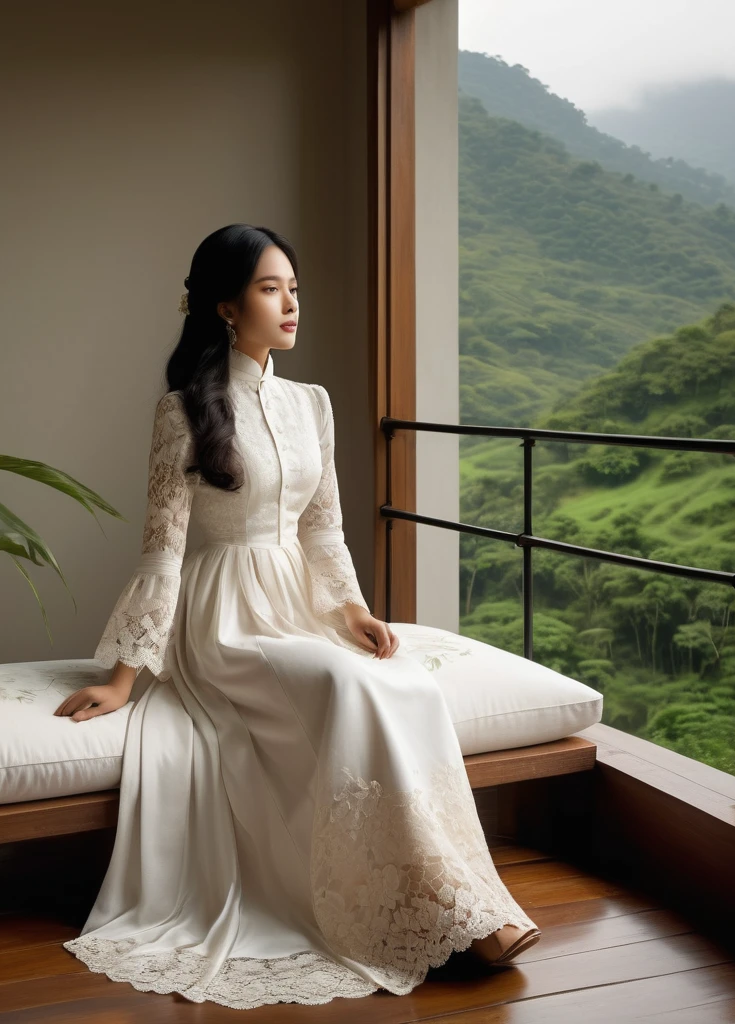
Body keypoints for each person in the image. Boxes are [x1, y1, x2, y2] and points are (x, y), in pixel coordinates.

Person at [53, 224, 541, 1009]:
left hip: (300, 605)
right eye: (270, 289)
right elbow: (163, 550)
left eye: (294, 289)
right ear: (224, 305)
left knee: (406, 686)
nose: (290, 305)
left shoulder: (311, 404)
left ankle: (457, 902)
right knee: (350, 691)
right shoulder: (182, 412)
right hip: (224, 620)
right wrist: (123, 678)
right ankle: (456, 918)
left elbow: (323, 530)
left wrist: (353, 611)